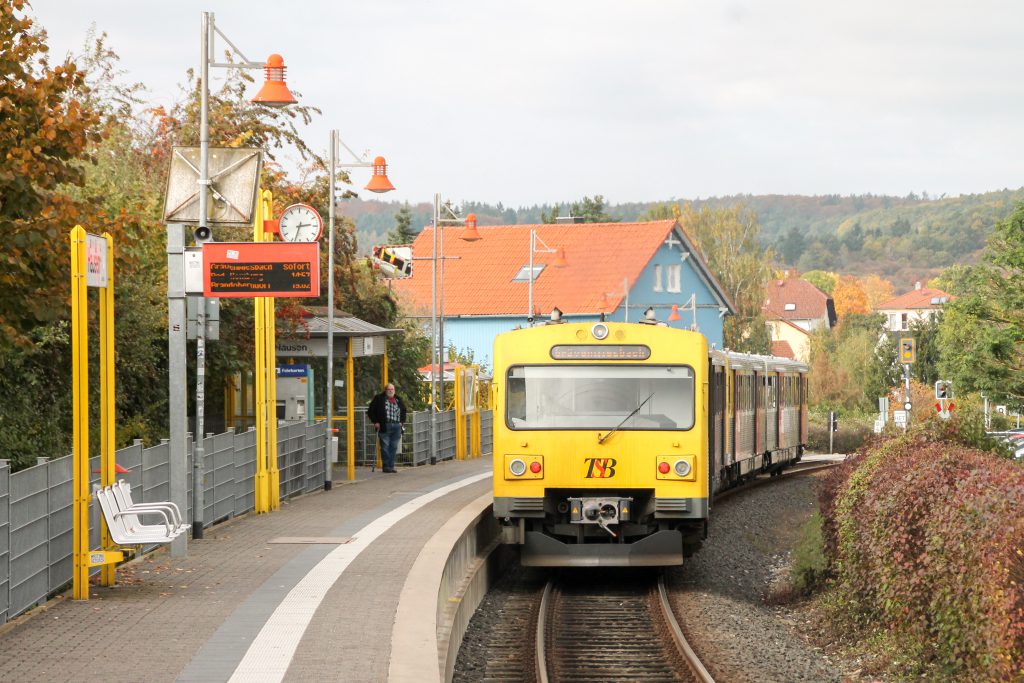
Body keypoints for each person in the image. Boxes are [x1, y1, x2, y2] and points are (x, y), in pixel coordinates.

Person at [367, 383, 407, 473]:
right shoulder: (379, 398)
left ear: (394, 390)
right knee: (385, 446)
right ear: (385, 390)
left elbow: (404, 410)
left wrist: (401, 422)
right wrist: (375, 422)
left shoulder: (398, 399)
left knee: (393, 447)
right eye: (389, 389)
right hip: (384, 425)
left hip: (396, 426)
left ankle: (391, 466)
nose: (390, 391)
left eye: (392, 389)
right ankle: (386, 466)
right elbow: (370, 411)